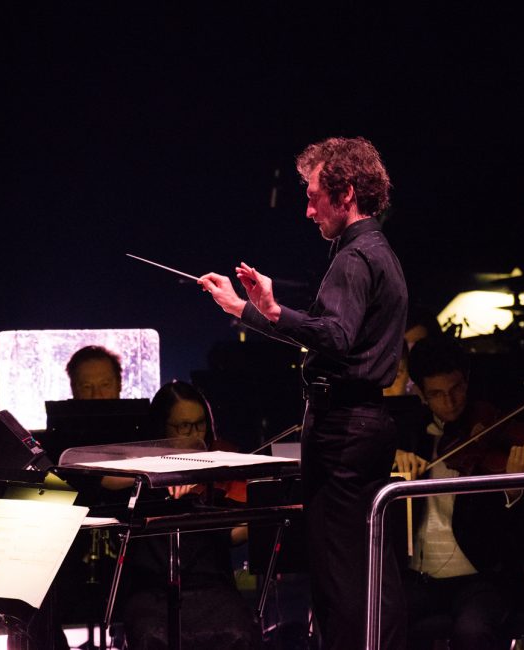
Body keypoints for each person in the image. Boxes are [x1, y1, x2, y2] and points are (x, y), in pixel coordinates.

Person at [199, 136, 408, 650]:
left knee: (342, 578)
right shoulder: (375, 251)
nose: (308, 209)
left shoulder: (355, 258)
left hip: (344, 429)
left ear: (346, 192)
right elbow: (326, 334)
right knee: (363, 567)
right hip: (362, 424)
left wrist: (272, 311)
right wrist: (244, 309)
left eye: (314, 196)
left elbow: (333, 336)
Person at [394, 336, 524, 650]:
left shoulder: (490, 428)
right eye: (436, 394)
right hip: (418, 577)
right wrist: (393, 460)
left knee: (473, 630)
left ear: (467, 381)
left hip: (481, 579)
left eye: (456, 389)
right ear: (420, 392)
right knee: (379, 617)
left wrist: (513, 490)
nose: (450, 402)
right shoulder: (406, 433)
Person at [120, 380, 259, 650]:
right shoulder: (140, 472)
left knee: (239, 632)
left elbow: (231, 535)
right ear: (162, 427)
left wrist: (269, 516)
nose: (195, 435)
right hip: (153, 590)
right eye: (184, 426)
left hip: (212, 586)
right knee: (153, 636)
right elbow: (103, 481)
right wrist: (157, 471)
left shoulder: (218, 464)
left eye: (200, 425)